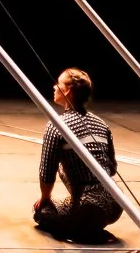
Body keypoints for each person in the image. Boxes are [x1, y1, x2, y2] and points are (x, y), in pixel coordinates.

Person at [33, 67, 123, 243]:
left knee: (41, 212)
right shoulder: (101, 123)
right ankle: (89, 221)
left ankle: (81, 226)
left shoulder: (57, 125)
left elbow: (47, 170)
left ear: (67, 90)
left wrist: (45, 198)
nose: (54, 87)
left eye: (58, 84)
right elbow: (112, 168)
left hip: (88, 206)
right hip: (115, 203)